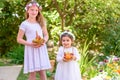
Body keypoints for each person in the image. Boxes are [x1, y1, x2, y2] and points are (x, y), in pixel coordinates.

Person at [17, 1, 51, 80]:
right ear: (27, 10)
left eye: (36, 10)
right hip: (31, 49)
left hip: (41, 49)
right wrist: (30, 44)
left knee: (43, 72)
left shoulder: (41, 22)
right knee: (33, 73)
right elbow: (19, 39)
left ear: (38, 11)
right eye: (32, 10)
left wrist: (43, 41)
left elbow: (46, 35)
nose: (34, 12)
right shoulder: (24, 24)